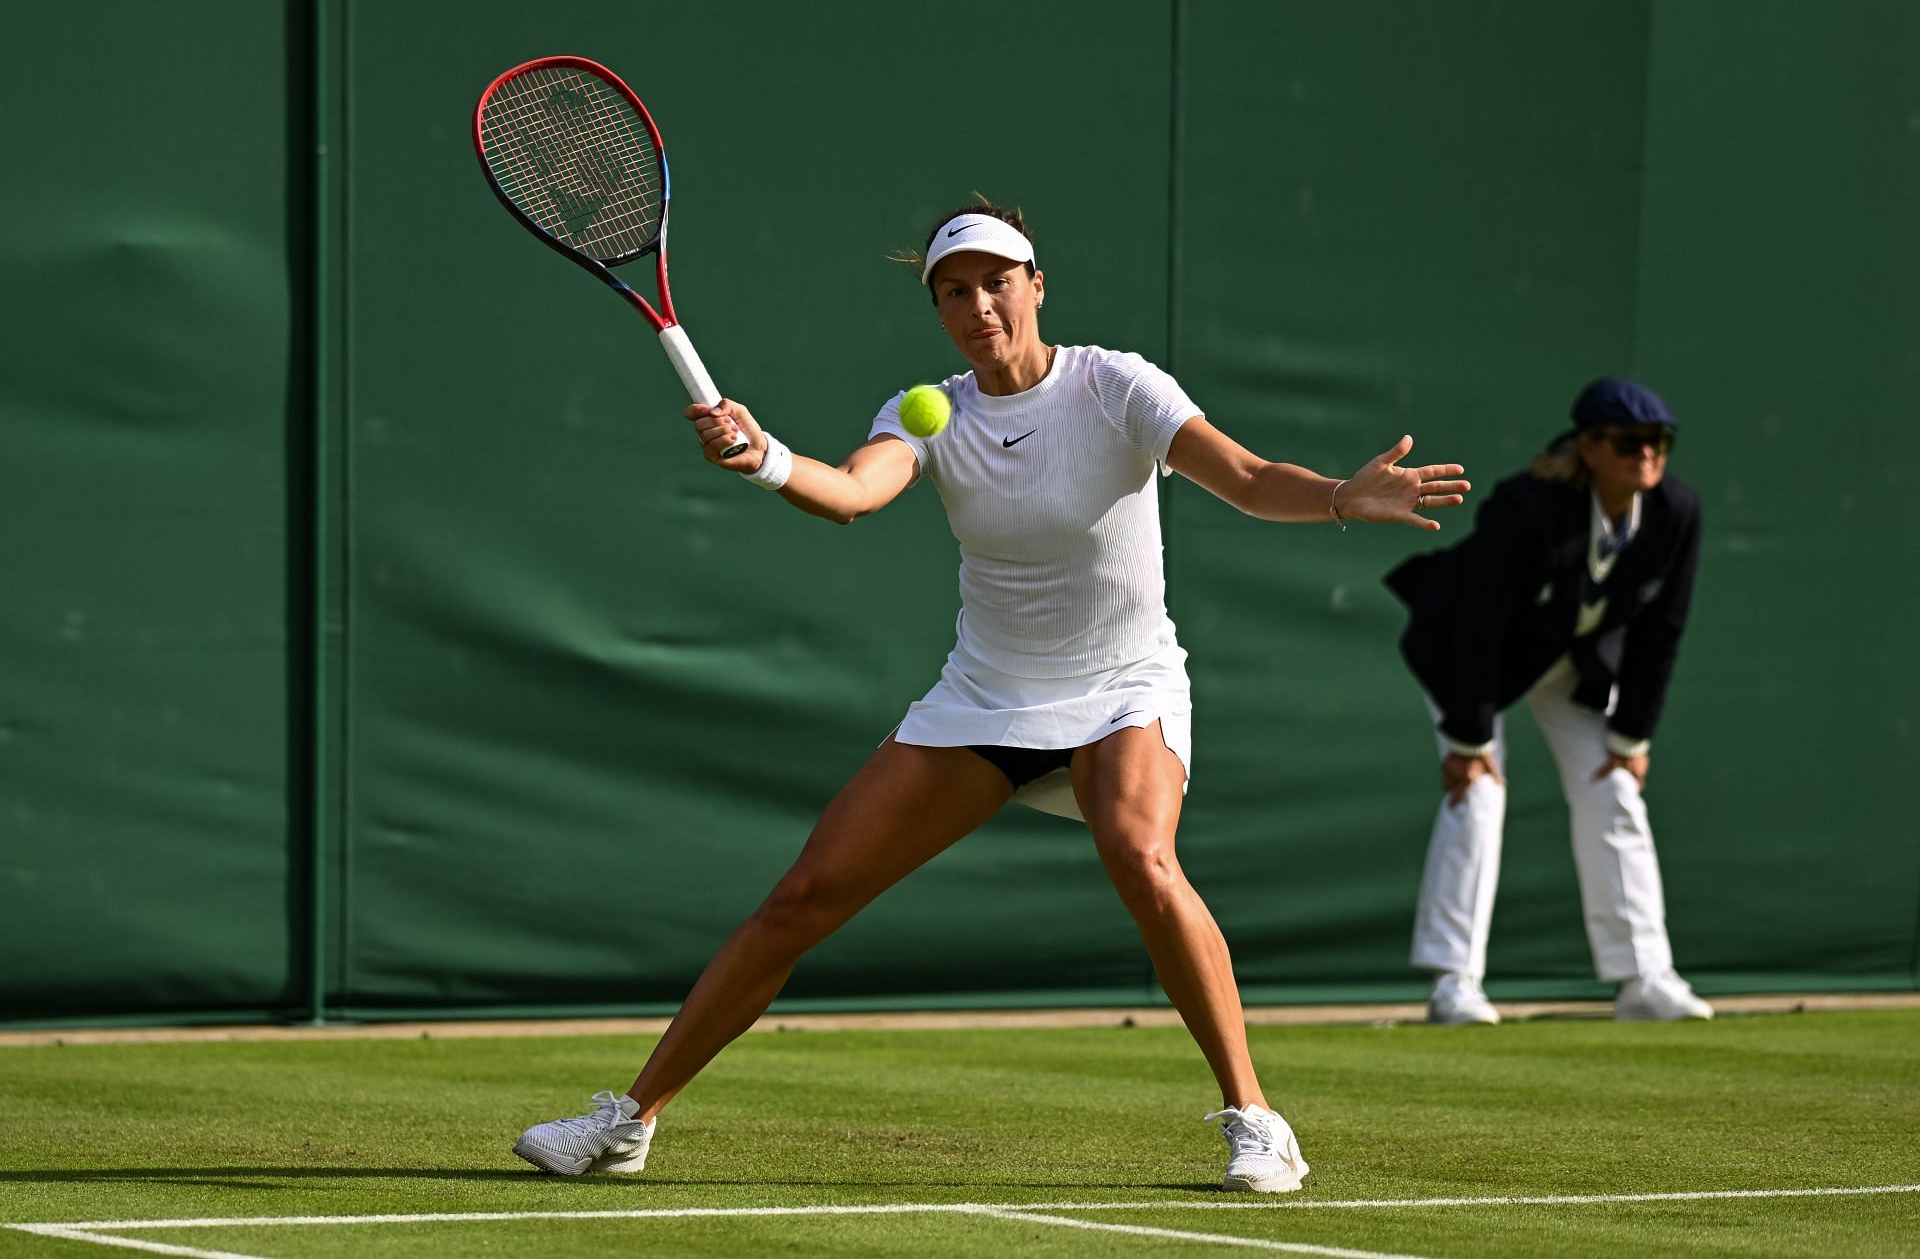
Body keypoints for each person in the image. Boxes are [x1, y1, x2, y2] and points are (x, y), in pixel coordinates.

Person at [512, 201, 1469, 1190]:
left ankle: (1257, 1118)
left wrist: (1337, 497)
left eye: (997, 280)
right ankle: (629, 1119)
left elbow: (1247, 476)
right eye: (954, 291)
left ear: (1036, 283)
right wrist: (763, 457)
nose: (980, 304)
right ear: (939, 310)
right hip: (986, 700)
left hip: (1120, 686)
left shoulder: (1115, 384)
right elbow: (850, 492)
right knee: (804, 895)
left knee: (1140, 852)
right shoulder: (931, 411)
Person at [1385, 377, 1712, 1026]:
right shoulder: (1526, 507)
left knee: (1614, 786)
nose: (1647, 452)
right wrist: (1468, 742)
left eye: (1659, 441)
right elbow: (1477, 626)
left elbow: (1659, 631)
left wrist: (1631, 740)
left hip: (1569, 659)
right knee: (1478, 793)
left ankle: (1645, 978)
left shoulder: (1677, 512)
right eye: (1629, 441)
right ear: (1589, 448)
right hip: (1463, 653)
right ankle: (1456, 983)